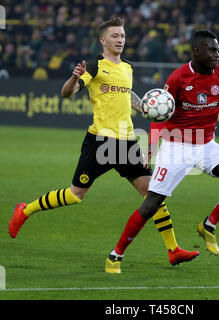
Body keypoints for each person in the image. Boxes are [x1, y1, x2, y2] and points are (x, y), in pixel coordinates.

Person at [8, 17, 199, 272]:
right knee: (75, 195)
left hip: (128, 142)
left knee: (153, 194)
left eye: (122, 36)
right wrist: (73, 78)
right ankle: (25, 209)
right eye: (115, 36)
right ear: (103, 40)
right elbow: (68, 92)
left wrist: (143, 106)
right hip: (100, 142)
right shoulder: (95, 67)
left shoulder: (128, 68)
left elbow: (125, 93)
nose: (120, 40)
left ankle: (173, 250)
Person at [106, 30, 219, 273]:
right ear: (197, 51)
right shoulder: (178, 78)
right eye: (212, 50)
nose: (217, 54)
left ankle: (209, 225)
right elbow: (160, 115)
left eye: (217, 49)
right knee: (152, 203)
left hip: (207, 145)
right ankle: (115, 255)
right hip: (176, 146)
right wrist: (152, 146)